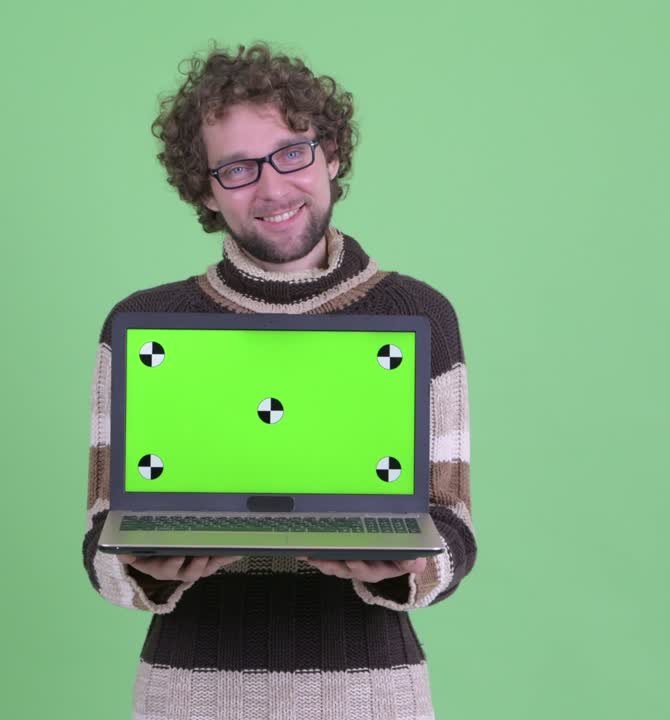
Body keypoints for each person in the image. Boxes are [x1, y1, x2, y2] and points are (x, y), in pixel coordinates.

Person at [81, 42, 477, 720]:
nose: (271, 188)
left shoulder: (418, 315)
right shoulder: (142, 326)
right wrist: (145, 567)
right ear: (205, 188)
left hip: (370, 695)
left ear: (333, 155)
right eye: (236, 168)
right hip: (189, 693)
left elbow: (454, 529)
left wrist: (408, 564)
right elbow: (101, 538)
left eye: (291, 152)